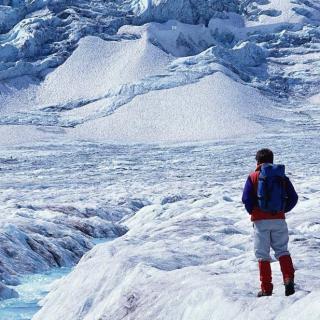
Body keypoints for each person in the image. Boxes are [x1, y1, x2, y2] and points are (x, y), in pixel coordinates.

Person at [242, 148, 298, 297]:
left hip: (260, 222)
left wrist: (254, 212)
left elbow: (246, 199)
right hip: (279, 219)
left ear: (258, 161)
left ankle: (266, 289)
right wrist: (281, 210)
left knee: (262, 255)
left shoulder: (253, 176)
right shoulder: (281, 177)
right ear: (271, 160)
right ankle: (288, 280)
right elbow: (293, 198)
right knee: (282, 251)